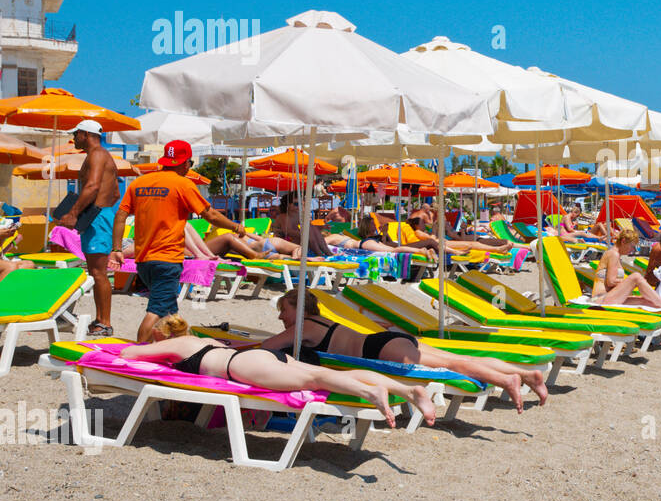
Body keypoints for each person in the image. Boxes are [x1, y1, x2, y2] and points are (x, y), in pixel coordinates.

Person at [122, 315, 436, 429]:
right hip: (261, 359)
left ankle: (371, 392)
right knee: (318, 372)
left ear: (163, 337)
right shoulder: (203, 339)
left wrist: (152, 352)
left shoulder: (179, 345)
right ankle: (409, 391)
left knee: (316, 378)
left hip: (243, 367)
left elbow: (130, 352)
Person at [261, 292, 545, 412]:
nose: (281, 317)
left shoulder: (303, 328)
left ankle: (507, 382)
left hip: (380, 348)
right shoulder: (320, 320)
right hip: (389, 340)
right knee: (460, 359)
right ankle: (525, 374)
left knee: (455, 365)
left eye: (283, 311)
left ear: (298, 308)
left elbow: (265, 349)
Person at [111, 140, 248, 342]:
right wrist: (236, 227)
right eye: (190, 164)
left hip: (143, 261)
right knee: (156, 310)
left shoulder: (139, 183)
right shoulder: (183, 184)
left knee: (170, 312)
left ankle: (180, 347)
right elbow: (210, 216)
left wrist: (117, 248)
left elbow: (120, 216)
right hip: (166, 259)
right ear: (185, 163)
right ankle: (138, 353)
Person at [57, 121, 121, 336]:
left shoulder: (96, 154)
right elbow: (115, 194)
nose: (74, 138)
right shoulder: (100, 155)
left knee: (98, 272)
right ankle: (101, 320)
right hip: (98, 216)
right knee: (96, 271)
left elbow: (93, 186)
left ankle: (105, 323)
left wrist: (74, 214)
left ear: (85, 134)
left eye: (76, 134)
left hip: (97, 218)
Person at [594, 229, 661, 306]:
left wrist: (631, 284)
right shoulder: (613, 254)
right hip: (601, 298)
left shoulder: (617, 256)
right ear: (623, 241)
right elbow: (611, 282)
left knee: (647, 301)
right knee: (636, 276)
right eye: (632, 246)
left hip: (609, 297)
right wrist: (632, 283)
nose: (632, 250)